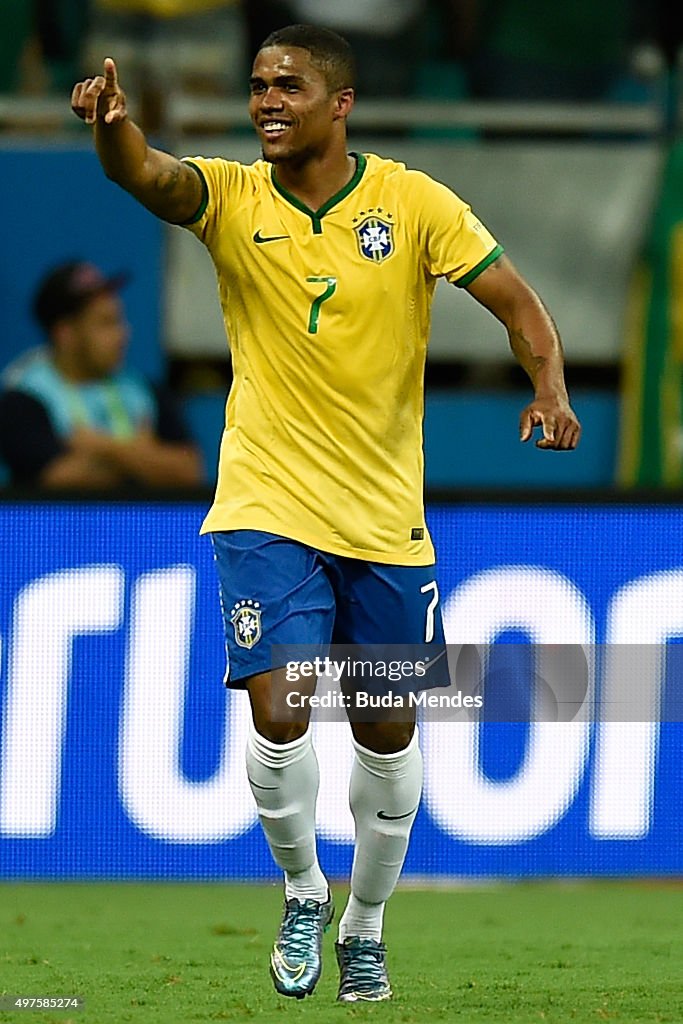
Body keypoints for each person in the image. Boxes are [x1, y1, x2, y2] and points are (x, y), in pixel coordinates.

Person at [70, 24, 580, 1003]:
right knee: (279, 705)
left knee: (386, 731)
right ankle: (305, 889)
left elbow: (516, 305)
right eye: (258, 83)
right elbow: (152, 179)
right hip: (263, 503)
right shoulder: (232, 197)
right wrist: (113, 131)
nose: (266, 100)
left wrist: (549, 390)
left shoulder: (413, 203)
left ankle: (367, 921)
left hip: (384, 519)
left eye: (288, 86)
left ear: (338, 104)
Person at [0, 261, 204, 489]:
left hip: (138, 524)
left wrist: (103, 447)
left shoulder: (144, 391)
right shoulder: (24, 399)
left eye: (120, 320)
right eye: (107, 324)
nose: (124, 334)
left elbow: (190, 471)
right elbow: (55, 482)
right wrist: (145, 455)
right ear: (65, 334)